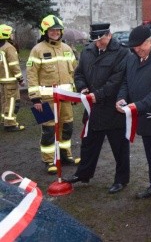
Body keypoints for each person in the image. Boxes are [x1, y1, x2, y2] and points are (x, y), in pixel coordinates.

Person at [64, 23, 130, 194]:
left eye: (100, 40)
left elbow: (117, 80)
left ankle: (121, 179)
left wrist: (98, 95)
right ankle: (83, 174)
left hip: (113, 109)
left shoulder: (122, 52)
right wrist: (82, 88)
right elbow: (79, 74)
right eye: (95, 40)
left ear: (109, 35)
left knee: (119, 147)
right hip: (92, 108)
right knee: (89, 143)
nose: (98, 43)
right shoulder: (87, 51)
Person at [115, 25, 151, 213]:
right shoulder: (132, 59)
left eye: (140, 47)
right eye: (134, 48)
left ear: (150, 41)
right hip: (142, 119)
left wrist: (136, 106)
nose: (137, 51)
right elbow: (125, 82)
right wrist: (122, 98)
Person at [26, 15, 79, 175]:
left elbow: (73, 73)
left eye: (58, 30)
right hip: (45, 99)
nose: (55, 32)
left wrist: (74, 94)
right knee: (48, 130)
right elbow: (32, 75)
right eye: (52, 30)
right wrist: (35, 98)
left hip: (65, 99)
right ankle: (49, 160)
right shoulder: (37, 50)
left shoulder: (67, 49)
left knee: (67, 127)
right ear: (45, 31)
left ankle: (65, 156)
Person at [0, 24, 25, 132]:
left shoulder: (1, 47)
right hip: (10, 80)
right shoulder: (9, 48)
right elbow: (14, 65)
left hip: (2, 80)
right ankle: (10, 124)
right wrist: (20, 78)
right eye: (11, 33)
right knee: (11, 102)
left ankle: (4, 120)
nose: (12, 35)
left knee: (4, 101)